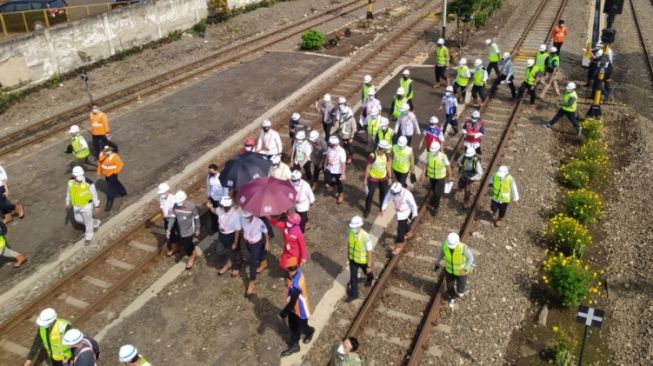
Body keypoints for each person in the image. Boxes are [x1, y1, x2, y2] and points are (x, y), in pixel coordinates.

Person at [279, 256, 315, 356]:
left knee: (302, 326)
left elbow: (292, 302)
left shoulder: (297, 283)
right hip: (294, 308)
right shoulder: (296, 272)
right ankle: (295, 344)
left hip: (301, 309)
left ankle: (310, 331)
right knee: (293, 325)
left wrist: (283, 313)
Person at [434, 232, 474, 307]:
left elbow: (471, 258)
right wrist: (437, 261)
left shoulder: (463, 248)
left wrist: (465, 269)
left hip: (461, 272)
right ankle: (453, 296)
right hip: (449, 271)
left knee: (461, 286)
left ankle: (459, 293)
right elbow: (441, 253)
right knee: (449, 286)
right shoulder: (445, 245)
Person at [66, 166, 101, 245]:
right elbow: (69, 192)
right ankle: (96, 222)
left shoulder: (89, 183)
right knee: (78, 219)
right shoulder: (70, 182)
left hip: (87, 205)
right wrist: (67, 201)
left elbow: (94, 195)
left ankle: (88, 237)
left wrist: (97, 206)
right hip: (76, 205)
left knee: (88, 222)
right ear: (74, 175)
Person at [208, 196, 241, 276]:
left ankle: (235, 266)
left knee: (234, 252)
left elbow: (237, 230)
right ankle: (230, 261)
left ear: (227, 206)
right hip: (222, 234)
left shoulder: (235, 215)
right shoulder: (221, 210)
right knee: (219, 250)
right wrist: (210, 207)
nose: (221, 207)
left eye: (223, 206)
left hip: (231, 235)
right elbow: (215, 211)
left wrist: (235, 243)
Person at [166, 191, 200, 270]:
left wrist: (197, 228)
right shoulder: (175, 206)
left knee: (186, 245)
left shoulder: (191, 207)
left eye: (180, 201)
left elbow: (196, 218)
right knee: (187, 244)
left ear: (185, 199)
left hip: (189, 231)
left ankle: (191, 257)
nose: (178, 204)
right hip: (180, 230)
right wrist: (168, 230)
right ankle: (193, 253)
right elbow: (172, 218)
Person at [382, 182, 418, 255]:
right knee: (403, 224)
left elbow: (413, 204)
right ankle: (408, 233)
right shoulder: (392, 191)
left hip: (406, 211)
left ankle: (399, 244)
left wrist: (414, 213)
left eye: (394, 193)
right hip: (399, 211)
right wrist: (383, 208)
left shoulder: (407, 194)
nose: (392, 194)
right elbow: (387, 198)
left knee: (400, 229)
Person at [241, 211, 270, 296]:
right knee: (258, 254)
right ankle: (264, 262)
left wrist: (267, 242)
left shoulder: (259, 222)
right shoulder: (243, 220)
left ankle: (251, 282)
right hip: (248, 243)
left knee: (253, 262)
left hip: (257, 243)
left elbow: (265, 231)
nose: (246, 218)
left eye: (248, 217)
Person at [346, 216, 373, 301]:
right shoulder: (351, 233)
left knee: (366, 271)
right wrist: (348, 258)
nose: (352, 228)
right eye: (352, 227)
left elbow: (369, 251)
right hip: (353, 259)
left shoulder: (365, 237)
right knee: (353, 276)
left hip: (362, 260)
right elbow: (349, 245)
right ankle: (354, 293)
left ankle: (370, 277)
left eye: (354, 227)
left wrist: (369, 265)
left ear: (359, 226)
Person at [363, 141, 392, 218]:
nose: (385, 150)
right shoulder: (372, 156)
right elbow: (368, 168)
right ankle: (367, 209)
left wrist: (389, 177)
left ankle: (381, 206)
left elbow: (388, 166)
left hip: (383, 178)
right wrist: (365, 179)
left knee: (383, 193)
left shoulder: (387, 156)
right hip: (373, 178)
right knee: (370, 194)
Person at [424, 141, 452, 216]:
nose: (432, 152)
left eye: (434, 151)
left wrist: (449, 176)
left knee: (437, 192)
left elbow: (448, 166)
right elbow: (426, 164)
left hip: (440, 177)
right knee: (433, 190)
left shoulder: (443, 156)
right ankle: (434, 199)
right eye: (431, 150)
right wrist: (425, 172)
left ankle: (436, 207)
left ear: (438, 150)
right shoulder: (429, 155)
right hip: (432, 177)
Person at [97, 145, 126, 211]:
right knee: (115, 182)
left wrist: (115, 172)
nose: (108, 152)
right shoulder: (101, 154)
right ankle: (123, 192)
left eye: (109, 150)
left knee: (110, 189)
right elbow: (100, 163)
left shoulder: (114, 156)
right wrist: (99, 172)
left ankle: (109, 202)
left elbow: (120, 165)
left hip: (113, 174)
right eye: (106, 150)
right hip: (106, 174)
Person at [157, 183, 179, 257]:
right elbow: (162, 207)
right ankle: (175, 247)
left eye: (163, 192)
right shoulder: (161, 198)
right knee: (170, 233)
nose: (162, 194)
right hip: (167, 218)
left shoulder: (173, 199)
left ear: (167, 191)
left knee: (180, 231)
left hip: (175, 219)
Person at [324, 136, 347, 204]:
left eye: (331, 144)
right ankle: (334, 185)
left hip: (338, 170)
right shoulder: (329, 148)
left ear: (335, 144)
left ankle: (340, 195)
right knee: (327, 182)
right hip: (329, 168)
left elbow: (343, 163)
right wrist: (325, 164)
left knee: (339, 183)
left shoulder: (341, 151)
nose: (330, 145)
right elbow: (327, 156)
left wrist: (343, 173)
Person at [334, 96, 356, 164]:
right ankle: (341, 158)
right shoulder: (339, 111)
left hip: (348, 136)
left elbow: (354, 128)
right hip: (341, 134)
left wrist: (351, 137)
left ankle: (350, 157)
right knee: (340, 147)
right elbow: (338, 121)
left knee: (349, 148)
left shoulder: (351, 117)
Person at [207, 163, 227, 234]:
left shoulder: (222, 178)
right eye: (209, 172)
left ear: (216, 170)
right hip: (213, 198)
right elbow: (209, 187)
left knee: (220, 214)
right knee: (212, 215)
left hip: (220, 200)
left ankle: (221, 228)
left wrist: (224, 200)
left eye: (212, 172)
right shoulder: (209, 177)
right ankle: (214, 228)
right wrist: (209, 197)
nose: (210, 173)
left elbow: (225, 190)